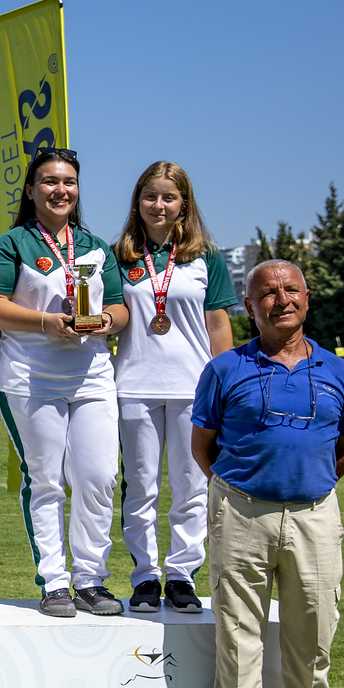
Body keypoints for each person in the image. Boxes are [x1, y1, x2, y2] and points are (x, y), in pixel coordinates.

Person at [192, 259, 344, 688]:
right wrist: (250, 486)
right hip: (241, 513)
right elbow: (203, 447)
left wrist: (304, 483)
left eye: (291, 289)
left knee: (313, 636)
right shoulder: (225, 369)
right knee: (238, 634)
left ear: (307, 299)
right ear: (250, 307)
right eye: (267, 292)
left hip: (315, 515)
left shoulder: (339, 372)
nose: (281, 299)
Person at [0, 148, 130, 617]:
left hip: (92, 377)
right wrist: (47, 322)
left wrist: (106, 320)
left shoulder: (96, 247)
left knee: (98, 478)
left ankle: (91, 579)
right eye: (49, 181)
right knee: (46, 480)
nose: (60, 190)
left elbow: (120, 307)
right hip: (31, 378)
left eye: (68, 182)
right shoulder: (12, 244)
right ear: (31, 190)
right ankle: (54, 581)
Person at [113, 162, 237, 614]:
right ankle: (145, 576)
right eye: (150, 196)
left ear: (184, 203)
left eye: (169, 197)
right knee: (140, 487)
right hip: (134, 386)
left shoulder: (207, 257)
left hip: (194, 387)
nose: (159, 205)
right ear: (137, 201)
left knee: (191, 486)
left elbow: (218, 325)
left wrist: (226, 385)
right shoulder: (120, 255)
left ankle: (182, 575)